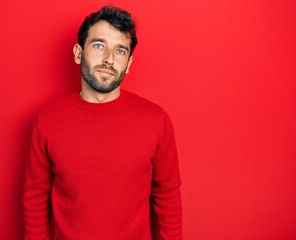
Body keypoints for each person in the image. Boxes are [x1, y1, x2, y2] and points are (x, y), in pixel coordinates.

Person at [23, 5, 182, 240]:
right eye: (99, 45)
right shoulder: (47, 120)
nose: (109, 59)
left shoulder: (156, 120)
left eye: (120, 51)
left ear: (128, 63)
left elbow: (168, 197)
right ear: (78, 53)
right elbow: (35, 197)